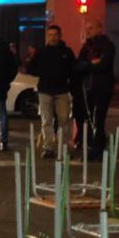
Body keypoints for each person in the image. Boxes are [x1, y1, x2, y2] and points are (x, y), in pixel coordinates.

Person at [26, 25, 75, 159]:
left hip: (62, 90)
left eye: (55, 34)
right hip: (45, 90)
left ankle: (63, 147)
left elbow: (73, 68)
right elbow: (30, 67)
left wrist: (67, 77)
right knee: (46, 120)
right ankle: (48, 147)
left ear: (60, 36)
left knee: (64, 119)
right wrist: (43, 73)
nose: (53, 37)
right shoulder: (42, 52)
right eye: (50, 35)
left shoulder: (67, 52)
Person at [74, 20, 115, 159]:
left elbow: (104, 65)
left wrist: (88, 65)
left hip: (102, 87)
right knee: (91, 118)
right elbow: (78, 66)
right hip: (88, 88)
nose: (88, 31)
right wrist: (91, 63)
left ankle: (98, 148)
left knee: (99, 118)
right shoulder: (86, 48)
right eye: (86, 28)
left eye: (91, 27)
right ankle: (95, 146)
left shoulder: (107, 46)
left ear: (99, 28)